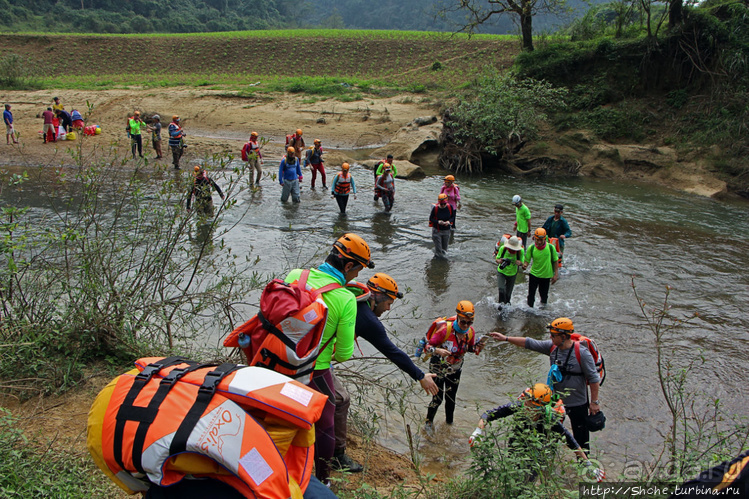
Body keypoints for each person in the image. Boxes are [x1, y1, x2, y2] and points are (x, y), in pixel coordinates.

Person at [284, 233, 375, 484]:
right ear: (347, 266)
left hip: (276, 360)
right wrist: (326, 345)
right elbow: (345, 354)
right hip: (313, 369)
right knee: (326, 424)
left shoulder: (295, 275)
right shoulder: (345, 298)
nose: (357, 276)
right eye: (357, 270)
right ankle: (323, 478)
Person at [331, 273, 439, 473]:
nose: (389, 308)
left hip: (306, 347)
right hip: (313, 359)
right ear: (376, 296)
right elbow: (392, 352)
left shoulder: (352, 298)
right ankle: (336, 457)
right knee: (340, 399)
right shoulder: (367, 319)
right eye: (388, 303)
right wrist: (420, 376)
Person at [489, 318, 601, 452]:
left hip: (578, 403)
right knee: (551, 435)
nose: (550, 337)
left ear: (564, 336)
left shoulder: (582, 353)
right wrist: (506, 338)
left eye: (554, 335)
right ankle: (548, 462)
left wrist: (594, 402)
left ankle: (585, 466)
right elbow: (529, 343)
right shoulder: (553, 348)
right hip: (555, 403)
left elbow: (594, 379)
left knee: (581, 439)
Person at [471, 383, 604, 482]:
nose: (525, 403)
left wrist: (588, 464)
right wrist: (478, 431)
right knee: (512, 473)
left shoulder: (549, 419)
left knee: (529, 479)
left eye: (529, 401)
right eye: (526, 400)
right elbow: (487, 415)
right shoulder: (518, 406)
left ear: (539, 407)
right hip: (516, 444)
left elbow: (570, 441)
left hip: (537, 450)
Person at [424, 300, 486, 432]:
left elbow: (469, 348)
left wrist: (477, 347)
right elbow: (427, 346)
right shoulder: (445, 330)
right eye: (463, 321)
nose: (466, 325)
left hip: (456, 369)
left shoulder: (470, 332)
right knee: (438, 398)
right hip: (438, 368)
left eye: (469, 322)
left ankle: (449, 425)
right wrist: (437, 350)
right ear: (457, 317)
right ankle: (428, 424)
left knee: (451, 399)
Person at [523, 227, 559, 308]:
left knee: (544, 296)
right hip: (534, 275)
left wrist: (556, 274)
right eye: (537, 240)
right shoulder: (531, 248)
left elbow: (555, 261)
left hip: (546, 276)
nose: (539, 242)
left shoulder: (550, 248)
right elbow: (527, 261)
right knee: (531, 296)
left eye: (541, 240)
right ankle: (529, 313)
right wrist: (525, 265)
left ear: (545, 238)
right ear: (534, 238)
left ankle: (542, 312)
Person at [496, 235, 525, 306]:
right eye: (511, 249)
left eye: (514, 249)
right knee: (501, 289)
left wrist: (520, 263)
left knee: (508, 294)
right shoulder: (503, 248)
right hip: (501, 272)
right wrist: (500, 261)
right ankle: (500, 305)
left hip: (512, 273)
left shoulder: (520, 251)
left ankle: (507, 305)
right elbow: (497, 259)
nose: (512, 251)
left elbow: (523, 262)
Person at [429, 193, 455, 258]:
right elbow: (431, 219)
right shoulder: (435, 208)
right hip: (437, 231)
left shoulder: (450, 207)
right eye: (441, 204)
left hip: (446, 231)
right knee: (438, 250)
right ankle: (437, 263)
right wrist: (438, 221)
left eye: (444, 204)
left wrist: (449, 222)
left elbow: (453, 217)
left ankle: (444, 264)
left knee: (444, 250)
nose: (443, 205)